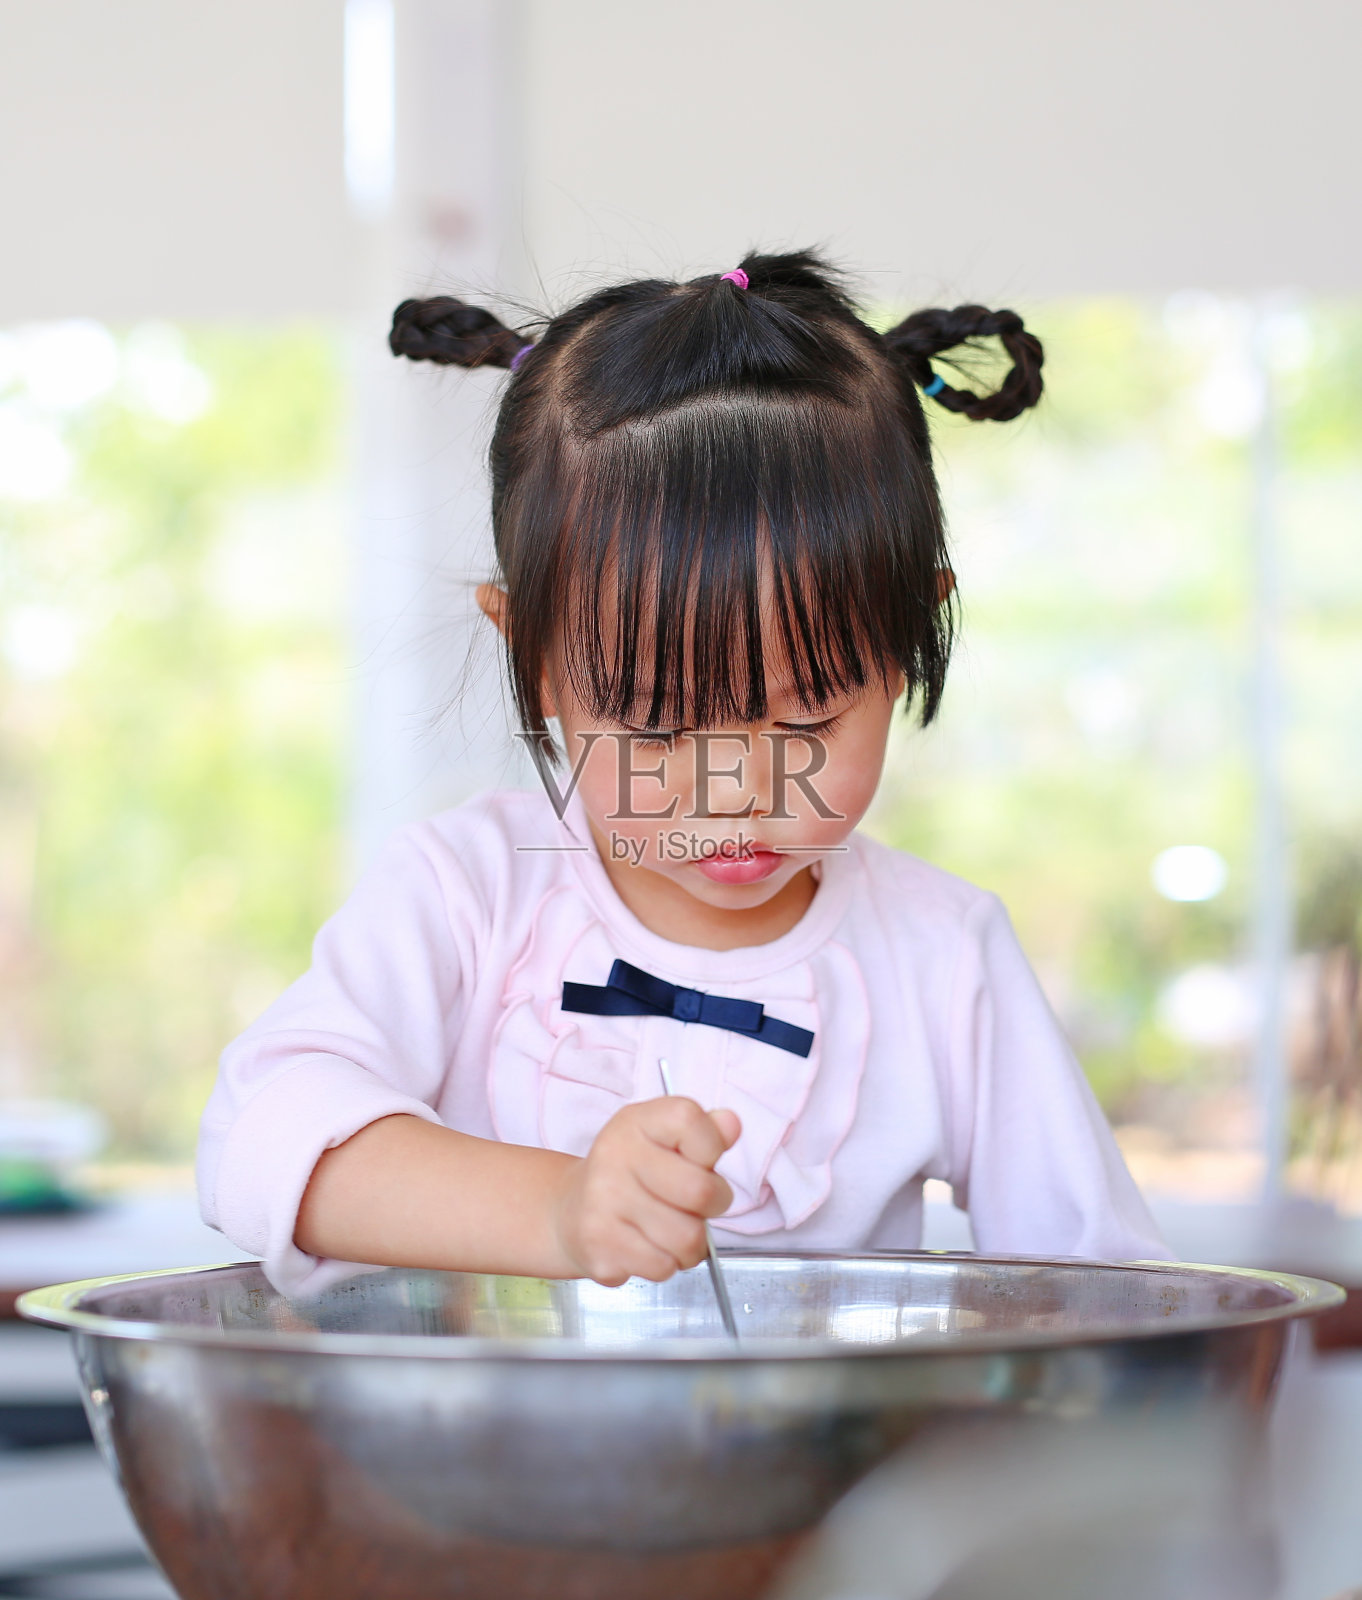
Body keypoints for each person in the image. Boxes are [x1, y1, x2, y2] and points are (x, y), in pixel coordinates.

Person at [198, 251, 1169, 1297]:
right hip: (471, 1460)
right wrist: (556, 1213)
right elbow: (259, 1136)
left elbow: (1100, 1291)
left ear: (905, 642)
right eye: (658, 727)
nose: (738, 789)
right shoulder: (469, 895)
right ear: (532, 655)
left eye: (808, 712)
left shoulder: (943, 958)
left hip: (829, 1466)